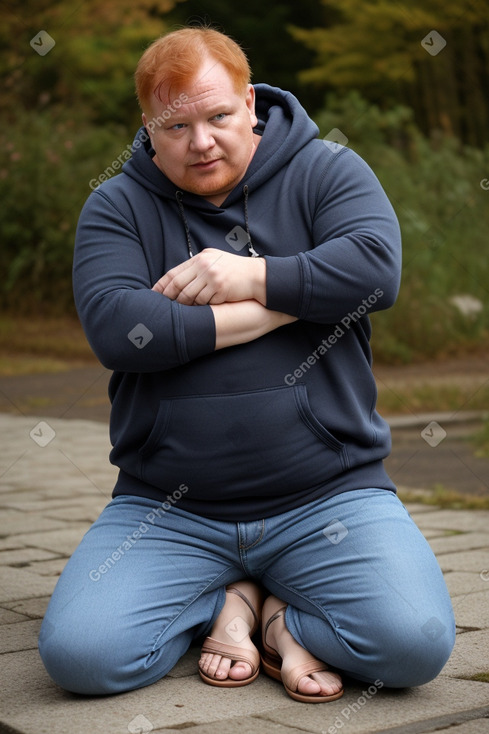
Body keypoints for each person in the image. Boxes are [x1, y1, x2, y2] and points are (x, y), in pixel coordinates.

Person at [38, 26, 455, 702]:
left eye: (218, 116)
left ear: (250, 103)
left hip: (328, 496)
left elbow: (375, 273)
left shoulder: (326, 169)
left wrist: (245, 275)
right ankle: (224, 601)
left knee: (411, 645)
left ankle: (278, 620)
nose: (200, 141)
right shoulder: (115, 204)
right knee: (81, 658)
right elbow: (125, 331)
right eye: (175, 126)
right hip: (168, 510)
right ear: (146, 126)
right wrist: (282, 305)